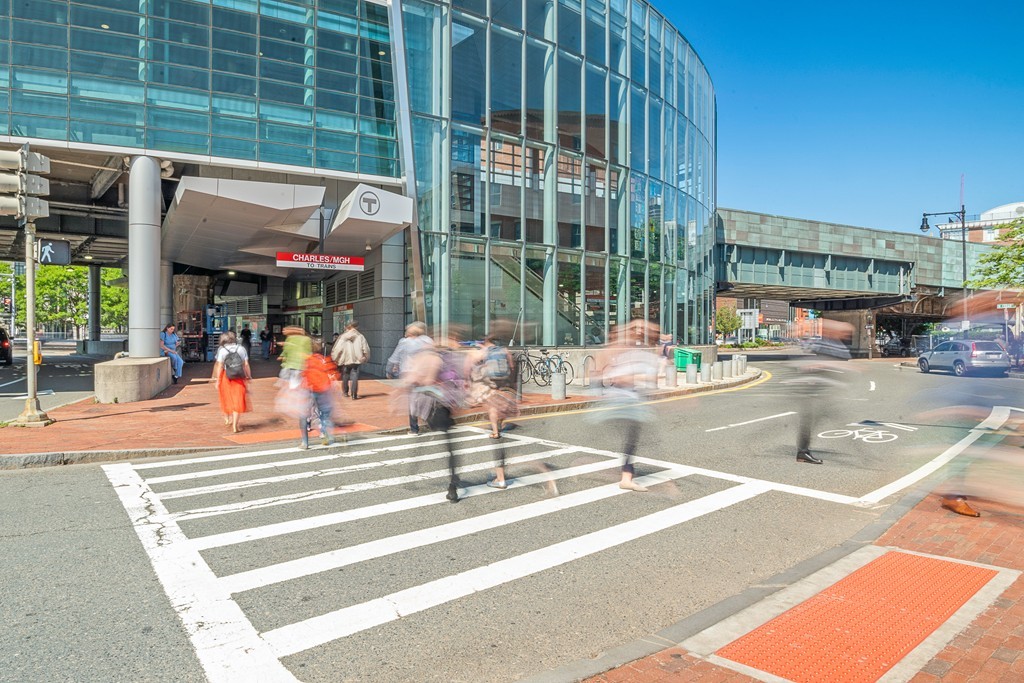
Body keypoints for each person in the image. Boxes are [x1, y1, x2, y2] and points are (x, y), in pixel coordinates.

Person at [591, 319, 660, 492]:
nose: (639, 331)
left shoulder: (639, 350)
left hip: (631, 403)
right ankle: (622, 475)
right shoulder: (618, 350)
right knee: (632, 440)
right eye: (635, 329)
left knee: (632, 441)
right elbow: (614, 376)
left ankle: (626, 477)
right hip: (621, 403)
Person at [404, 332, 466, 501]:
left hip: (434, 407)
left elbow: (425, 381)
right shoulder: (451, 359)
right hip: (445, 407)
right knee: (449, 448)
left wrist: (418, 382)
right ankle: (453, 484)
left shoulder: (433, 359)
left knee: (428, 442)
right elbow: (461, 382)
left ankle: (415, 474)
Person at [792, 319, 854, 464]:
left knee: (811, 421)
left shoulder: (835, 344)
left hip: (822, 393)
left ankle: (803, 452)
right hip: (812, 392)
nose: (847, 335)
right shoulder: (824, 343)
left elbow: (840, 362)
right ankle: (802, 453)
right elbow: (808, 362)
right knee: (809, 421)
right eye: (845, 332)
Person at [466, 336, 519, 488]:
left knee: (492, 406)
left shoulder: (485, 350)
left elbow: (473, 364)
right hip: (505, 382)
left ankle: (495, 430)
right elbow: (512, 366)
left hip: (492, 381)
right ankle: (500, 424)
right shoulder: (505, 350)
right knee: (501, 402)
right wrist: (512, 382)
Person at [388, 322, 435, 434]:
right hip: (425, 374)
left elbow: (395, 357)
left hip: (410, 374)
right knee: (426, 398)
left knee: (412, 401)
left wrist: (389, 370)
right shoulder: (428, 341)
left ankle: (414, 429)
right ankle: (431, 422)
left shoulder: (404, 342)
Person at [300, 340, 339, 449]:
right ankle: (326, 435)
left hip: (311, 390)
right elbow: (332, 373)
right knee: (325, 414)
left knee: (305, 414)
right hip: (324, 389)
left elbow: (304, 375)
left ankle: (305, 442)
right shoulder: (325, 360)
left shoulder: (308, 360)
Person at [212, 331, 252, 433]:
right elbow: (246, 364)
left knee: (226, 398)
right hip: (238, 377)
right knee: (237, 401)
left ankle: (227, 419)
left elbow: (220, 366)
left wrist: (217, 380)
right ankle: (235, 426)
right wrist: (249, 376)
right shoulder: (241, 349)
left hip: (226, 376)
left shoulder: (222, 350)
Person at [331, 321, 370, 400]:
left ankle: (345, 392)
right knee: (355, 375)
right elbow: (365, 348)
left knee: (345, 375)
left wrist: (335, 358)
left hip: (345, 359)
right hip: (356, 359)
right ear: (356, 327)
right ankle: (354, 394)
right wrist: (366, 357)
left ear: (347, 327)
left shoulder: (343, 336)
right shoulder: (360, 336)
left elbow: (337, 349)